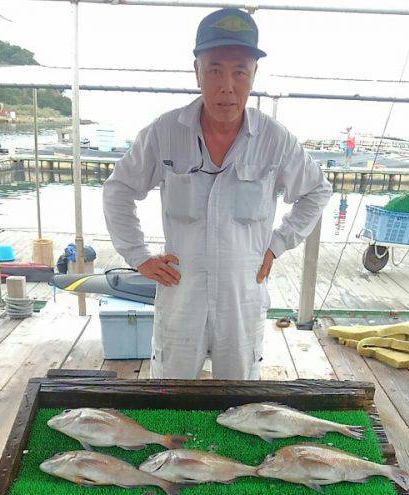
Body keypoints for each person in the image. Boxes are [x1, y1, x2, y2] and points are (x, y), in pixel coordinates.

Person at [103, 8, 332, 379]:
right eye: (214, 70)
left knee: (242, 400)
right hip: (180, 293)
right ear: (196, 71)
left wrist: (278, 243)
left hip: (242, 295)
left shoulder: (275, 140)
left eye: (240, 71)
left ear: (253, 75)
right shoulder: (164, 133)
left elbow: (317, 191)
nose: (227, 85)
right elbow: (118, 190)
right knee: (169, 396)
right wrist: (138, 255)